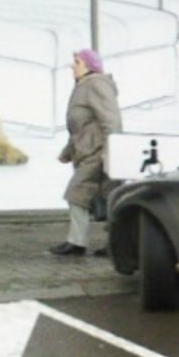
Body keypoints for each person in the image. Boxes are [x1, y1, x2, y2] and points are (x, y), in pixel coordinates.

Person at [50, 49, 122, 257]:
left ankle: (77, 242)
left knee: (76, 193)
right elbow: (81, 126)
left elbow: (111, 120)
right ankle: (116, 244)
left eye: (77, 61)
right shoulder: (83, 86)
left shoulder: (96, 84)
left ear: (90, 65)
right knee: (109, 198)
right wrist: (67, 152)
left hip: (97, 152)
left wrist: (110, 152)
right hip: (89, 151)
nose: (72, 65)